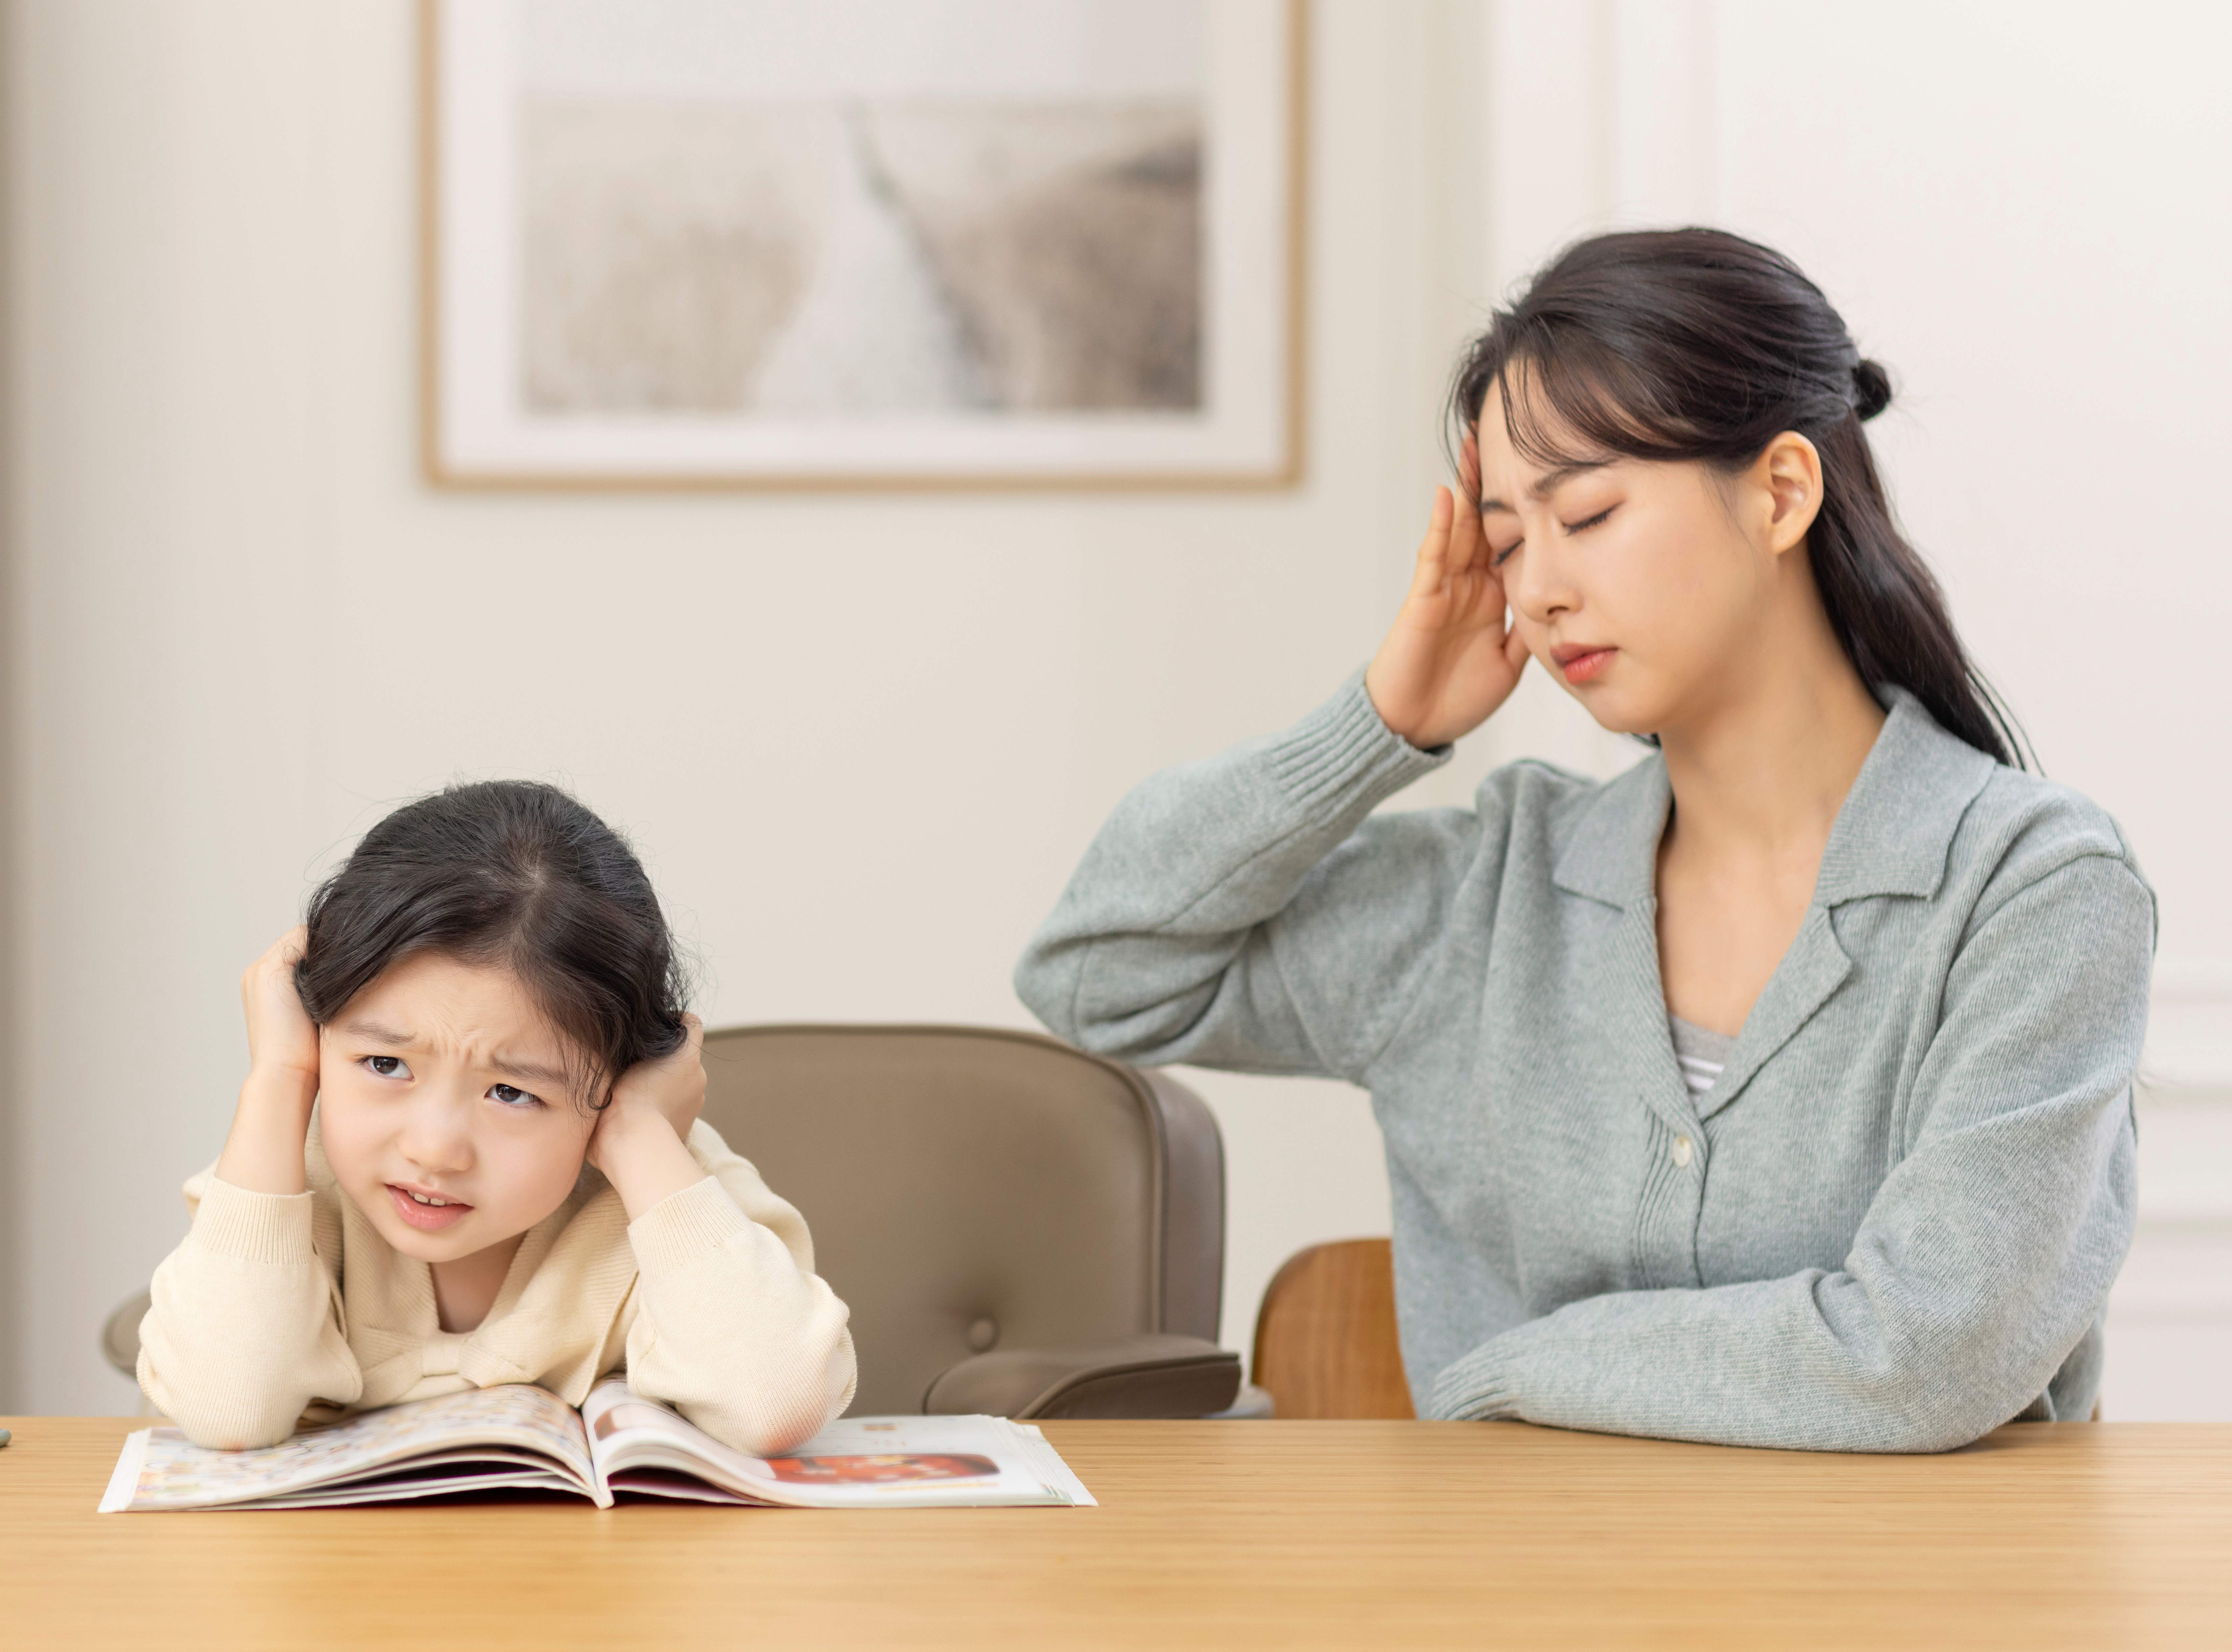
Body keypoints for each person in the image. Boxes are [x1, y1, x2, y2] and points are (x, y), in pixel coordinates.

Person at [1016, 229, 2154, 1452]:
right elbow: (1097, 969)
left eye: (1589, 514)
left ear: (1781, 492)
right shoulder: (1488, 897)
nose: (1537, 590)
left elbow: (1925, 1354)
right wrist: (1379, 725)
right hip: (1524, 1570)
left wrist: (1517, 1368)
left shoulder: (2033, 893)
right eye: (1508, 542)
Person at [138, 781, 856, 1454]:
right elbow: (227, 1410)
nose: (434, 1149)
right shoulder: (284, 1182)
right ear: (317, 1030)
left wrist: (638, 1134)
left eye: (512, 1093)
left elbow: (777, 1406)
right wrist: (279, 1078)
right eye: (385, 1064)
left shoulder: (668, 1196)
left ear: (620, 1081)